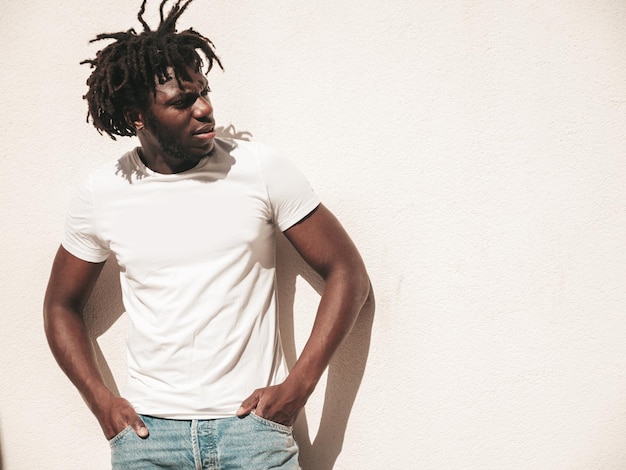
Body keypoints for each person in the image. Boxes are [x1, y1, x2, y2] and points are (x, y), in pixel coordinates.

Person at [43, 0, 370, 468]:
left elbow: (347, 272)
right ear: (138, 117)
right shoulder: (103, 192)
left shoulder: (258, 168)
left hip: (252, 435)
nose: (205, 110)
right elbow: (60, 305)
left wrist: (296, 389)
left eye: (203, 92)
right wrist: (102, 404)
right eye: (181, 102)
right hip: (149, 439)